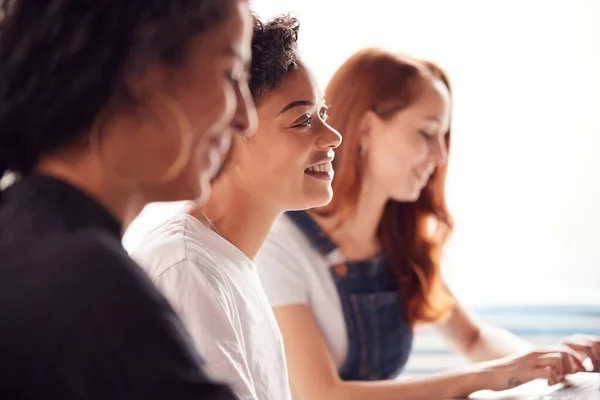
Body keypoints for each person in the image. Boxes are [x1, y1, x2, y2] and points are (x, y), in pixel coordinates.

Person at [255, 48, 600, 400]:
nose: (441, 156)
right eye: (426, 133)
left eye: (443, 137)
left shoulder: (400, 239)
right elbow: (323, 394)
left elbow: (473, 338)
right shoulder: (278, 243)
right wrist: (488, 377)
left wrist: (552, 364)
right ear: (368, 129)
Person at [0, 0, 256, 399]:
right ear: (143, 74)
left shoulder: (25, 234)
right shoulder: (86, 286)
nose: (246, 118)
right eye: (232, 74)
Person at [131, 15, 341, 400]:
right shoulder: (187, 266)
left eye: (323, 115)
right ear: (230, 129)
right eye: (303, 120)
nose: (333, 136)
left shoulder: (228, 261)